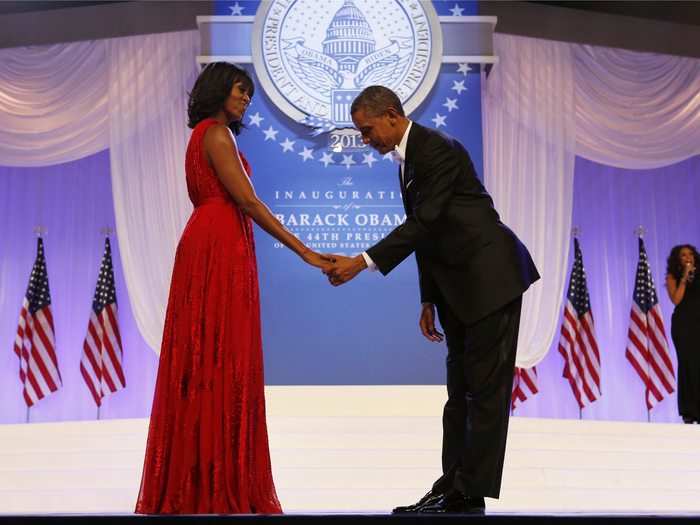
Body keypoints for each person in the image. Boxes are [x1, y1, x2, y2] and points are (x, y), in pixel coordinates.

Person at [324, 86, 540, 514]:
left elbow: (425, 222)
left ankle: (469, 493)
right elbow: (428, 234)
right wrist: (428, 298)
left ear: (390, 115)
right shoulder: (407, 163)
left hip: (489, 280)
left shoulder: (436, 148)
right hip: (458, 289)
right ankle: (451, 486)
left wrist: (362, 262)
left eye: (367, 132)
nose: (366, 141)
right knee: (458, 393)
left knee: (484, 393)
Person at [135, 62, 331, 514]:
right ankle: (213, 481)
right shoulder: (216, 133)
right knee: (220, 355)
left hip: (214, 239)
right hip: (218, 243)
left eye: (248, 93)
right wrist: (303, 250)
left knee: (211, 355)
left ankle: (200, 479)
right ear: (219, 90)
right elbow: (246, 200)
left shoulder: (204, 134)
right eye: (240, 91)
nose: (245, 99)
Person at [665, 244, 700, 424]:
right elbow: (676, 300)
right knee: (688, 365)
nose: (688, 257)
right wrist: (685, 278)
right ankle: (689, 411)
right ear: (678, 260)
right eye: (683, 255)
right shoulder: (673, 277)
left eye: (691, 254)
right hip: (684, 327)